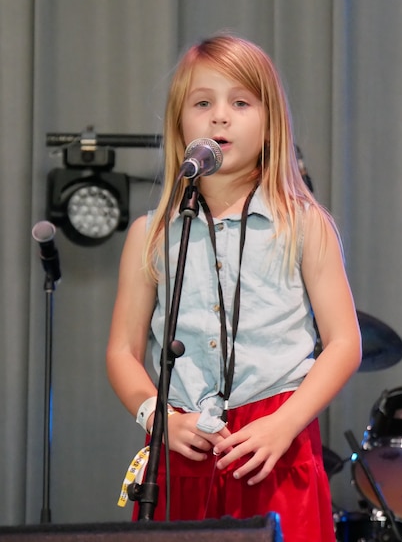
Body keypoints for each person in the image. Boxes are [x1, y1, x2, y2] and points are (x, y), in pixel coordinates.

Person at [105, 32, 361, 542]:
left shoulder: (304, 225)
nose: (219, 116)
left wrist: (284, 425)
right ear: (181, 123)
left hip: (274, 442)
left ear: (270, 125)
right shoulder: (151, 234)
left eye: (240, 102)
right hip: (181, 447)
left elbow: (344, 343)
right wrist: (157, 417)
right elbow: (123, 351)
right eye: (202, 103)